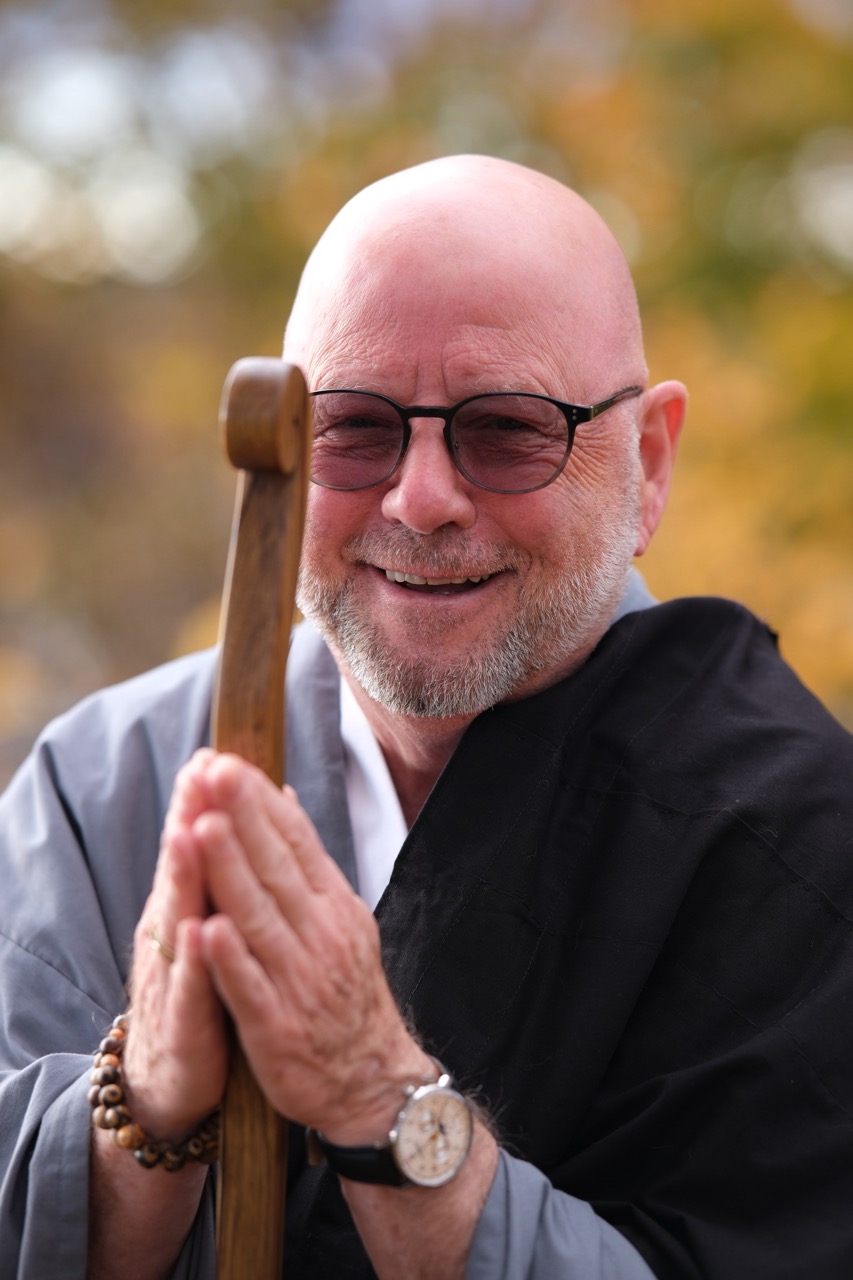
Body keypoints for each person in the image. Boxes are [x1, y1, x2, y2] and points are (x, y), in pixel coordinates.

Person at [1, 154, 851, 1280]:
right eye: (354, 426)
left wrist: (378, 1097)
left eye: (506, 428)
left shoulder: (796, 840)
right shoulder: (105, 787)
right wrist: (146, 1104)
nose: (422, 498)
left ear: (646, 465)